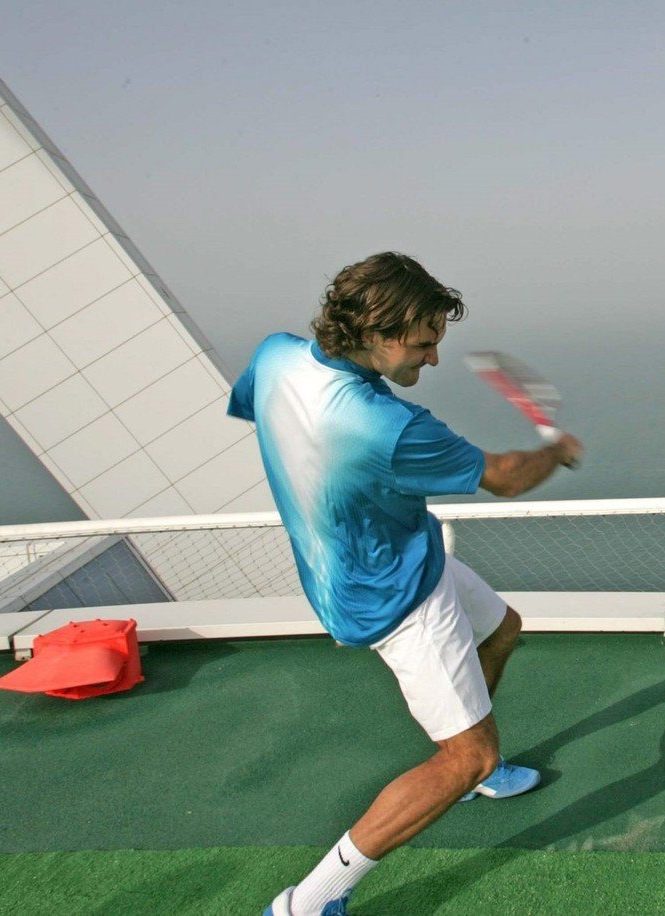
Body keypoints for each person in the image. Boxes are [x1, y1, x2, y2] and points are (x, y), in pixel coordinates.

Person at [227, 252, 583, 916]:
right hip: (396, 594)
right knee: (468, 758)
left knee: (502, 630)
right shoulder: (386, 427)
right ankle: (308, 901)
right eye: (423, 344)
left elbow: (271, 416)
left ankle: (471, 765)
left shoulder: (276, 356)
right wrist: (556, 452)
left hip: (393, 556)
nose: (434, 359)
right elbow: (505, 477)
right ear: (376, 332)